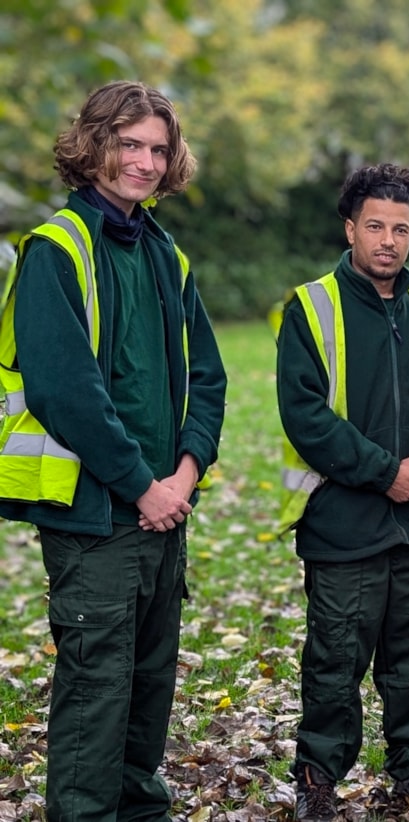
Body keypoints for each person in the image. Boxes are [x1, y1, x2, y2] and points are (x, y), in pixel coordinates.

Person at [0, 80, 227, 820]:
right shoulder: (55, 252)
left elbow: (209, 377)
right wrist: (142, 486)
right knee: (98, 694)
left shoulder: (167, 255)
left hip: (166, 512)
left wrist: (186, 472)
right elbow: (67, 393)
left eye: (158, 149)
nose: (145, 162)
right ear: (94, 142)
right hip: (96, 517)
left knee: (150, 687)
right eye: (130, 144)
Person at [275, 163, 409, 820]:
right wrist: (382, 469)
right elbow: (305, 415)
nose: (388, 240)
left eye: (401, 229)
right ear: (350, 228)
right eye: (375, 226)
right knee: (335, 658)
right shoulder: (311, 307)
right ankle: (317, 779)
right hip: (343, 521)